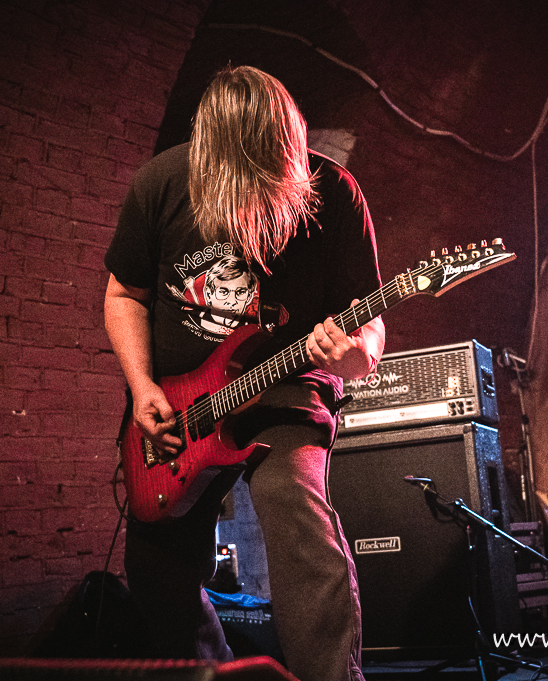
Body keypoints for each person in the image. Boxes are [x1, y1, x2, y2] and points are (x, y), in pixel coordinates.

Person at [103, 65, 384, 681]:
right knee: (155, 571)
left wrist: (349, 355)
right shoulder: (160, 183)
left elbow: (369, 333)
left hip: (284, 388)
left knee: (293, 506)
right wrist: (144, 388)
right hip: (180, 408)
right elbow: (123, 294)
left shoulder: (334, 192)